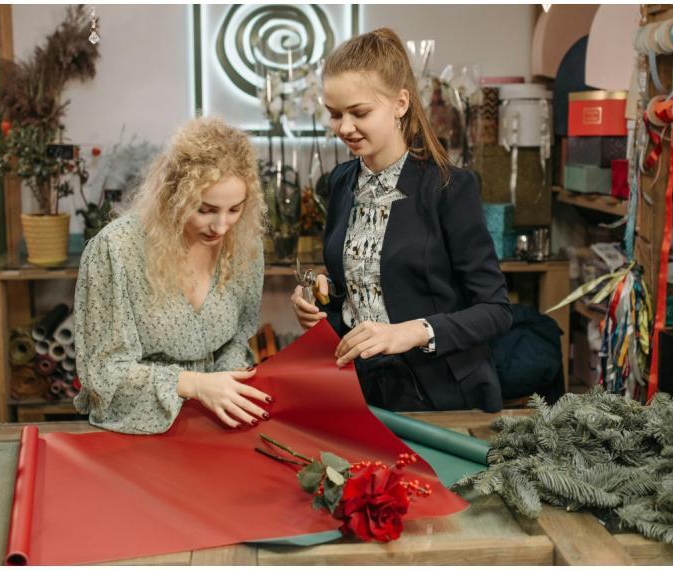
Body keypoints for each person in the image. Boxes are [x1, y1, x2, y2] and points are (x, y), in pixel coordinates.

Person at [291, 28, 512, 413]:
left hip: (441, 393)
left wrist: (411, 332)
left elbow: (495, 310)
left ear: (400, 103)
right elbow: (359, 294)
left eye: (359, 113)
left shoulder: (449, 187)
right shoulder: (341, 183)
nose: (344, 128)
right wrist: (319, 305)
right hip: (361, 390)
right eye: (334, 114)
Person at [74, 117, 271, 434]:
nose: (221, 227)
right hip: (137, 432)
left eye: (234, 209)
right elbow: (103, 373)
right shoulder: (117, 250)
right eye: (205, 210)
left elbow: (236, 340)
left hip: (214, 425)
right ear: (173, 196)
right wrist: (195, 385)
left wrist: (229, 384)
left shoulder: (245, 245)